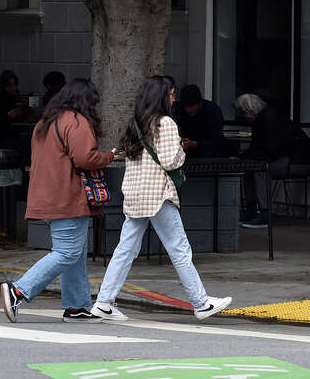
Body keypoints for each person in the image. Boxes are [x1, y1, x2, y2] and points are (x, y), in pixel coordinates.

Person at [90, 77, 231, 322]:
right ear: (162, 97)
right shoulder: (166, 123)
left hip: (136, 195)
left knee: (125, 250)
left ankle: (103, 302)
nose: (174, 99)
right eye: (172, 94)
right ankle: (201, 303)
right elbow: (169, 161)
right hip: (157, 195)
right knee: (179, 249)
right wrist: (181, 151)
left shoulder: (136, 123)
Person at [0, 78, 117, 323]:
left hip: (47, 196)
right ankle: (18, 290)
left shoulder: (45, 122)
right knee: (67, 252)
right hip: (67, 197)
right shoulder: (76, 121)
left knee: (75, 253)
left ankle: (77, 307)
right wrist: (109, 156)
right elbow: (85, 159)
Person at [234, 93, 310, 228]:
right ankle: (251, 208)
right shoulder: (263, 119)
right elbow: (262, 148)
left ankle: (265, 213)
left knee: (261, 169)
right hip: (286, 157)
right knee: (250, 167)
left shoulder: (270, 120)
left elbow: (271, 150)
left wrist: (247, 157)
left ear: (250, 112)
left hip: (297, 161)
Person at [0, 69, 31, 153]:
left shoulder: (18, 102)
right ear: (3, 86)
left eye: (14, 85)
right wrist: (7, 117)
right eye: (9, 85)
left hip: (17, 143)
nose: (12, 88)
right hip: (0, 143)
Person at [173, 84, 226, 158]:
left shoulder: (212, 111)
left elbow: (217, 140)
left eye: (191, 106)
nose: (188, 110)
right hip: (187, 155)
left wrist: (196, 144)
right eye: (186, 107)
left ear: (200, 103)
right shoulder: (181, 111)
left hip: (210, 155)